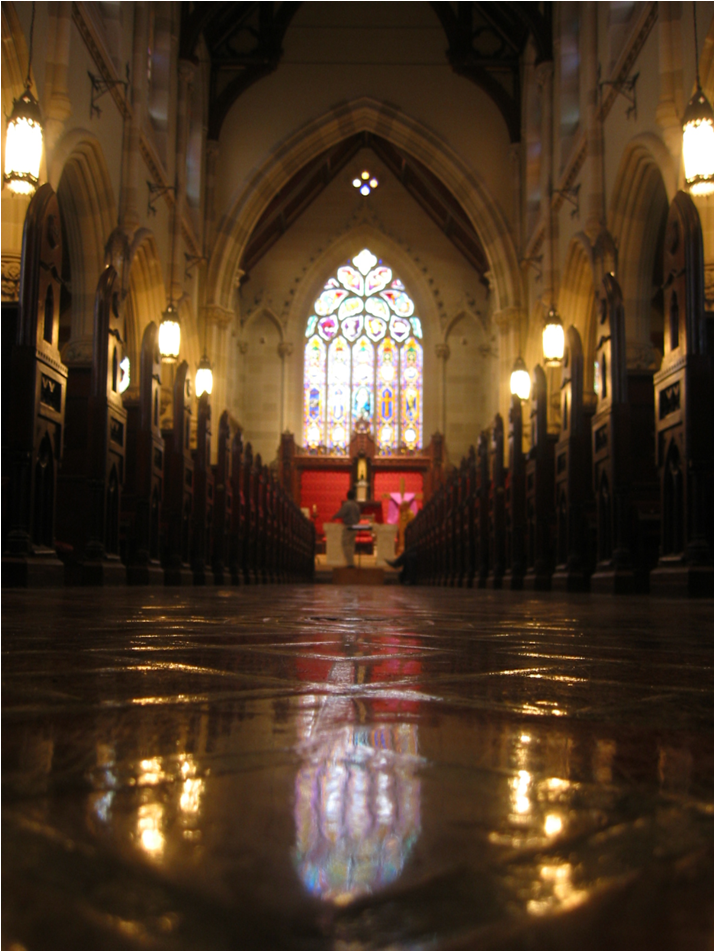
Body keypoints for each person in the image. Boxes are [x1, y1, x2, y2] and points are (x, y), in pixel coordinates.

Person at [331, 488, 362, 567]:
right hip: (355, 527)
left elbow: (341, 513)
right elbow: (358, 517)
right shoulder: (356, 505)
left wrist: (333, 517)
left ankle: (350, 563)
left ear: (347, 496)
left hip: (348, 526)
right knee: (351, 545)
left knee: (345, 544)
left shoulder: (347, 504)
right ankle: (351, 562)